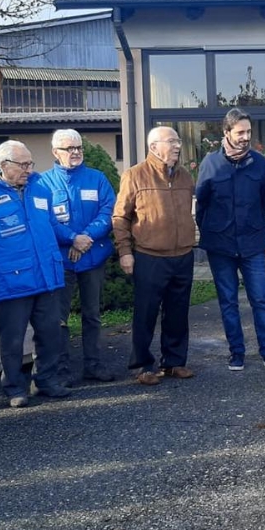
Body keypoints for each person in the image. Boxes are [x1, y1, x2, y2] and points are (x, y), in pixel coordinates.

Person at [0, 140, 71, 408]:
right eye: (22, 164)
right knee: (12, 339)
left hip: (46, 278)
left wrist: (75, 239)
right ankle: (14, 388)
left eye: (30, 163)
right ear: (4, 165)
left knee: (50, 334)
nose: (28, 169)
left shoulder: (41, 191)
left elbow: (52, 227)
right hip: (11, 283)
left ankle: (46, 381)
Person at [195, 109, 265, 373]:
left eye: (248, 132)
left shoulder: (259, 163)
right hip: (220, 245)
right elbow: (202, 205)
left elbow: (264, 200)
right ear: (227, 133)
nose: (245, 137)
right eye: (240, 132)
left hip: (252, 243)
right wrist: (214, 231)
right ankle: (237, 353)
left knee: (261, 299)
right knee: (228, 301)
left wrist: (254, 226)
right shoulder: (210, 163)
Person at [113, 126, 197, 386]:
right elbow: (120, 217)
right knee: (146, 312)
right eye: (170, 141)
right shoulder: (134, 175)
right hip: (149, 256)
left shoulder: (184, 177)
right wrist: (125, 252)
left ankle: (174, 362)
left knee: (178, 312)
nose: (176, 146)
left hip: (182, 254)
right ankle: (143, 365)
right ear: (153, 147)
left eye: (178, 141)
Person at [38, 129, 117, 384]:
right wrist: (72, 238)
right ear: (55, 153)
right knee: (58, 318)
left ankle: (93, 364)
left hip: (93, 257)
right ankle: (61, 369)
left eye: (78, 148)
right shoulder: (42, 183)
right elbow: (45, 220)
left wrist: (83, 238)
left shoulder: (97, 178)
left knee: (92, 314)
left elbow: (108, 212)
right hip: (61, 261)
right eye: (69, 149)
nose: (75, 153)